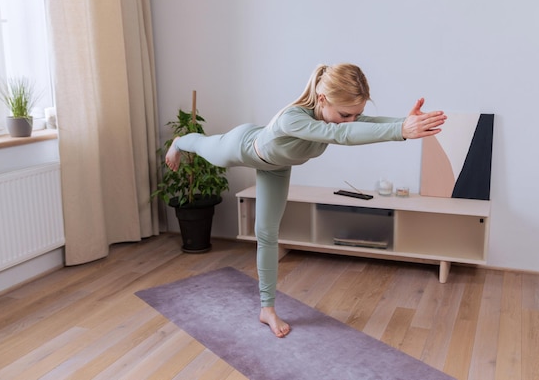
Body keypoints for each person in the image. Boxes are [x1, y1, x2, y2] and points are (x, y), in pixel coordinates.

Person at [165, 63, 446, 338]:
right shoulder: (293, 118)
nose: (350, 120)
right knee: (203, 145)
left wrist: (405, 124)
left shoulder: (335, 117)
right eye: (346, 114)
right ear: (322, 99)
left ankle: (267, 310)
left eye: (354, 115)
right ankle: (179, 141)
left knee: (267, 233)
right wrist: (400, 131)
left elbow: (363, 124)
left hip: (275, 166)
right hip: (241, 147)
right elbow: (342, 134)